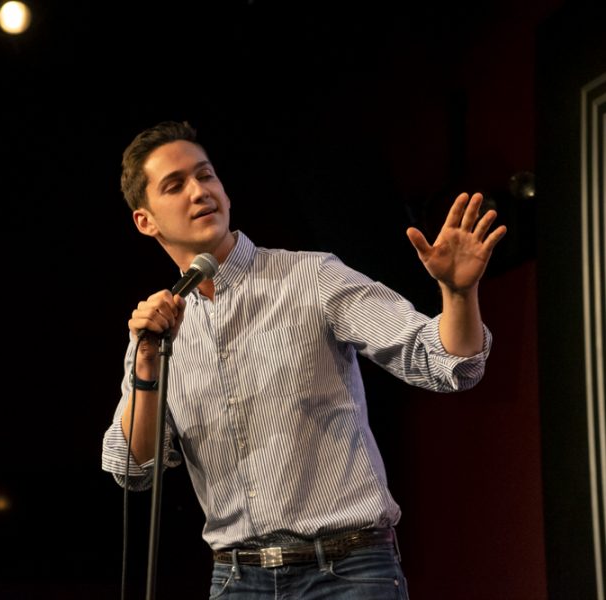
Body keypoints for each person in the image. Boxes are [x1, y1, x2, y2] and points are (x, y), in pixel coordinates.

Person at [101, 120, 506, 599]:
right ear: (145, 220)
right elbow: (134, 467)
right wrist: (146, 367)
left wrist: (458, 295)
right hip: (235, 580)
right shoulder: (158, 330)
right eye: (175, 185)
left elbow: (445, 363)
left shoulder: (311, 277)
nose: (199, 191)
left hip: (347, 572)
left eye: (206, 175)